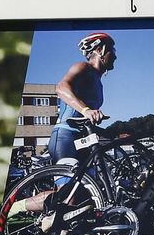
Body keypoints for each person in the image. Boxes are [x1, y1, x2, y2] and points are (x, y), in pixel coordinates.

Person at [50, 32, 116, 163]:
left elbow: (85, 119)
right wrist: (86, 110)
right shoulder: (83, 67)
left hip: (85, 139)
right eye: (111, 51)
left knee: (95, 182)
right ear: (99, 50)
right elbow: (61, 87)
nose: (115, 56)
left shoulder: (99, 83)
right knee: (68, 183)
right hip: (66, 136)